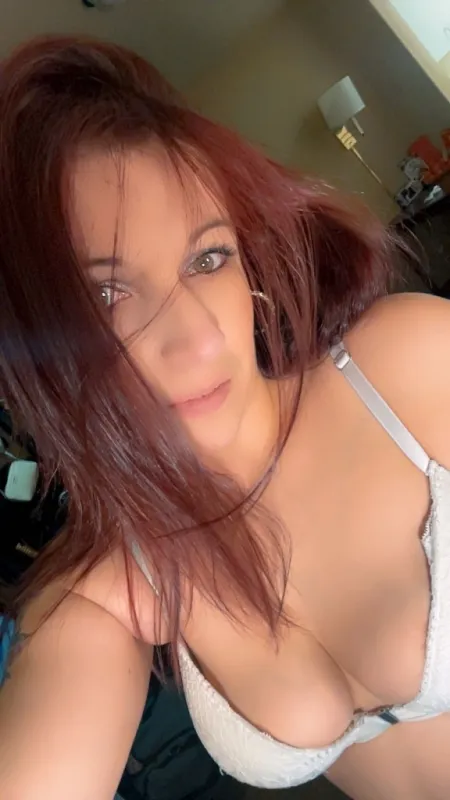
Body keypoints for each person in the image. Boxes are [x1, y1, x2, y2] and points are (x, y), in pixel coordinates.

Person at [0, 35, 449, 800]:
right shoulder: (126, 584)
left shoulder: (402, 368)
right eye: (109, 295)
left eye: (207, 259)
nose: (199, 339)